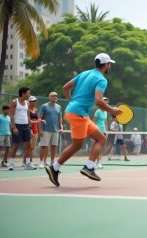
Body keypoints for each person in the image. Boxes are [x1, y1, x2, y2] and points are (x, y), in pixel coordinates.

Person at [45, 53, 121, 187]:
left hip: (78, 113)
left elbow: (65, 87)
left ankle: (89, 166)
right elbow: (98, 101)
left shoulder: (85, 73)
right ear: (105, 65)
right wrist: (112, 110)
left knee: (101, 138)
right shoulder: (101, 79)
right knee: (77, 145)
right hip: (77, 114)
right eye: (109, 64)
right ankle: (54, 167)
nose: (110, 66)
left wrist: (72, 102)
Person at [8, 87, 36, 170]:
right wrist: (14, 127)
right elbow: (11, 115)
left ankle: (27, 164)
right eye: (28, 93)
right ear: (23, 93)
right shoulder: (14, 102)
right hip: (17, 126)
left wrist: (30, 128)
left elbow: (28, 116)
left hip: (26, 126)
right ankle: (11, 164)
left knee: (28, 144)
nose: (29, 95)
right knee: (15, 146)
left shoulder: (27, 103)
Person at [38, 92, 63, 169]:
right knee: (44, 146)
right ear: (49, 97)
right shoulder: (44, 106)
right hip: (45, 130)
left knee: (54, 146)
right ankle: (42, 162)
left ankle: (52, 161)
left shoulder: (59, 107)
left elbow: (60, 118)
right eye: (53, 96)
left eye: (56, 96)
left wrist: (61, 127)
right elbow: (39, 118)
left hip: (55, 130)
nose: (55, 97)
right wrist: (40, 130)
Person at [27, 96, 45, 166]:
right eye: (33, 101)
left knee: (32, 147)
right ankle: (28, 162)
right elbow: (29, 121)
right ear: (29, 102)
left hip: (35, 130)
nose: (34, 102)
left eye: (35, 101)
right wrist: (31, 129)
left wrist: (40, 130)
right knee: (28, 146)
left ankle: (29, 161)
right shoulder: (27, 110)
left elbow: (37, 121)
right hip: (29, 130)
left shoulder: (36, 109)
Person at [93, 96, 109, 168]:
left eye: (106, 100)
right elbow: (93, 122)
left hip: (103, 131)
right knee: (97, 147)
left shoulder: (105, 112)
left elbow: (105, 123)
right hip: (97, 131)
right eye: (104, 100)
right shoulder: (97, 112)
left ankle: (98, 161)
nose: (105, 101)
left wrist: (106, 132)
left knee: (101, 147)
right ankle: (96, 162)